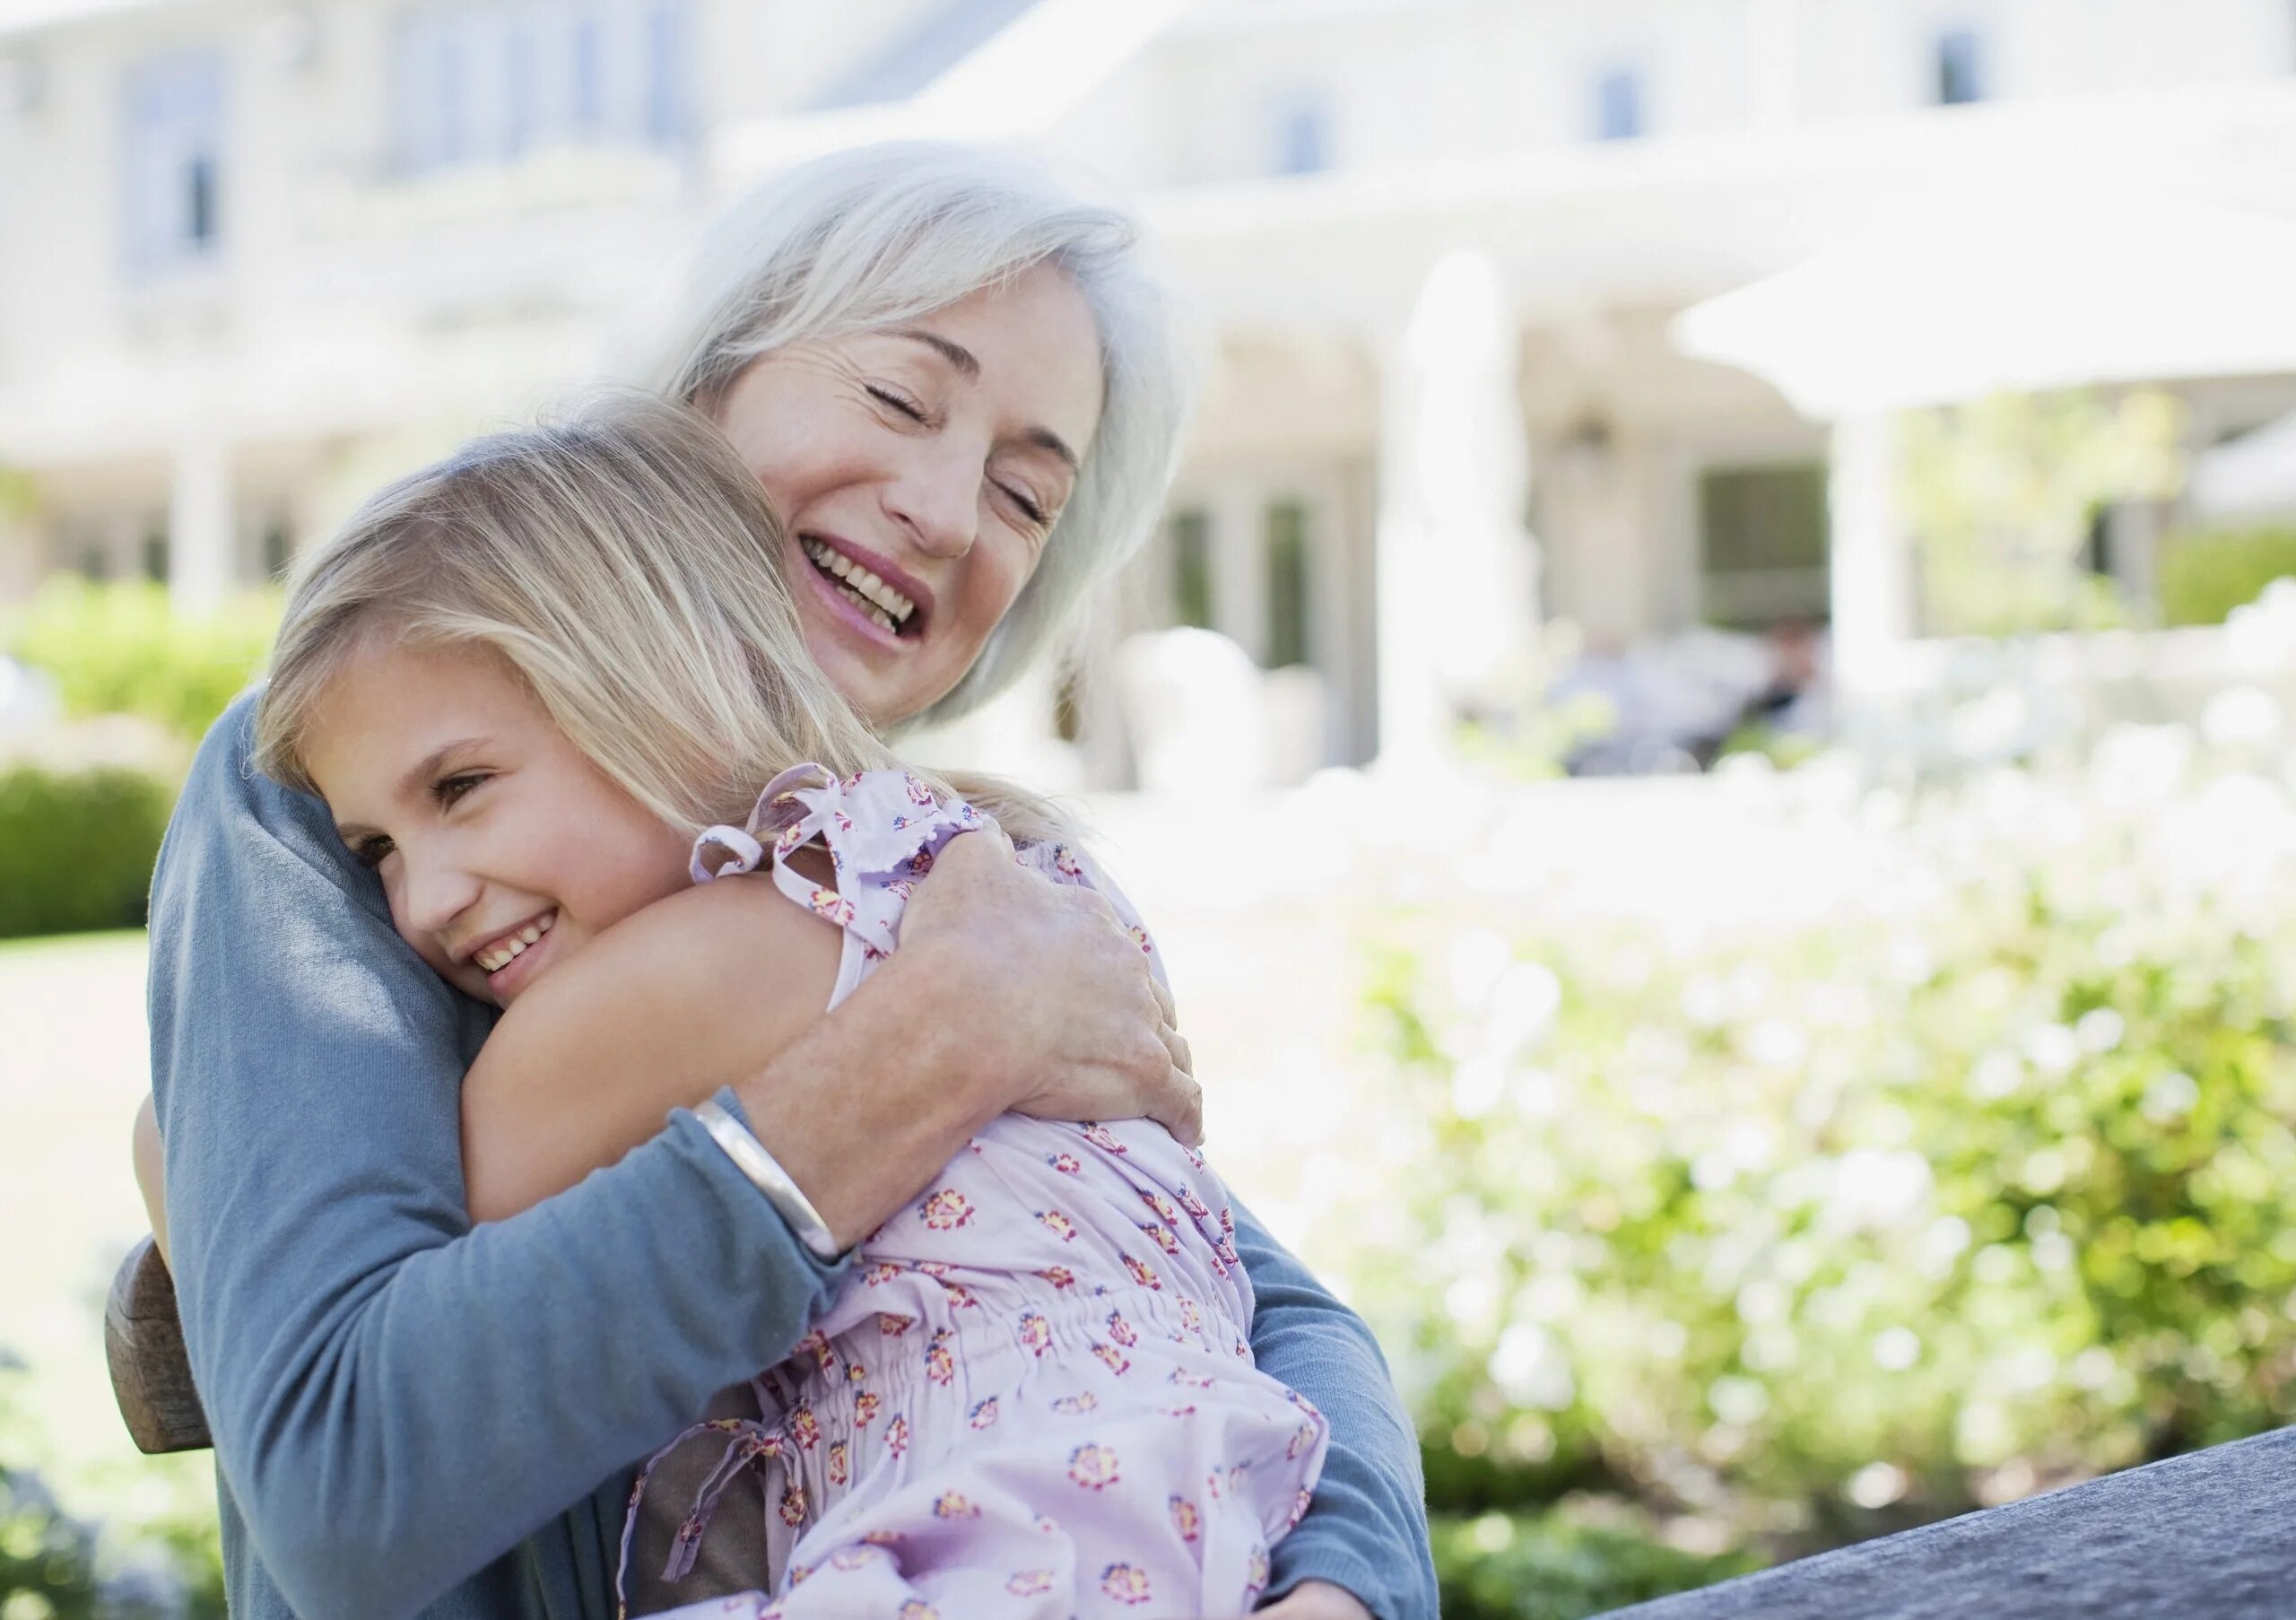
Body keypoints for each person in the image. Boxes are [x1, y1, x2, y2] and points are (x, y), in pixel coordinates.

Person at [138, 144, 1435, 1620]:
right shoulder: (356, 749)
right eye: (897, 396)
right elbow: (345, 1480)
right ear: (700, 390)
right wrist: (924, 1050)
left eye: (1025, 496)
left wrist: (1346, 1587)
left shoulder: (958, 876)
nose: (948, 512)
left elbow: (1249, 1295)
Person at [250, 394, 1331, 1616]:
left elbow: (369, 1218)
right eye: (375, 848)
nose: (423, 899)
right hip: (1164, 1513)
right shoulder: (962, 872)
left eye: (462, 785)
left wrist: (177, 1143)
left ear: (657, 682)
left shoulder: (711, 963)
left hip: (996, 1542)